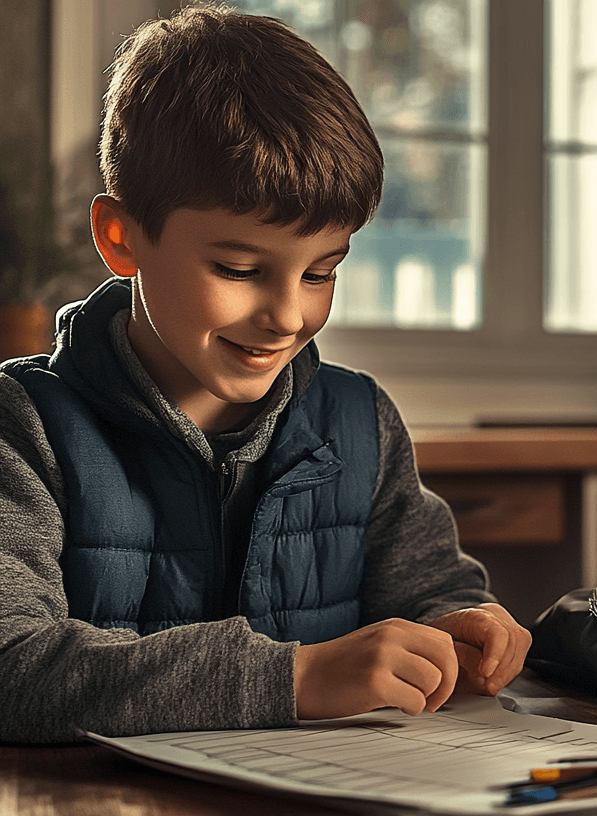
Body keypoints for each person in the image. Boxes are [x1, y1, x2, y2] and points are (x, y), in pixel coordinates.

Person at [0, 6, 529, 743]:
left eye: (321, 272)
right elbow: (12, 670)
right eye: (239, 269)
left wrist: (460, 634)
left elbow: (432, 593)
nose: (287, 315)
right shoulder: (24, 429)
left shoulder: (359, 422)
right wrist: (297, 678)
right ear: (123, 239)